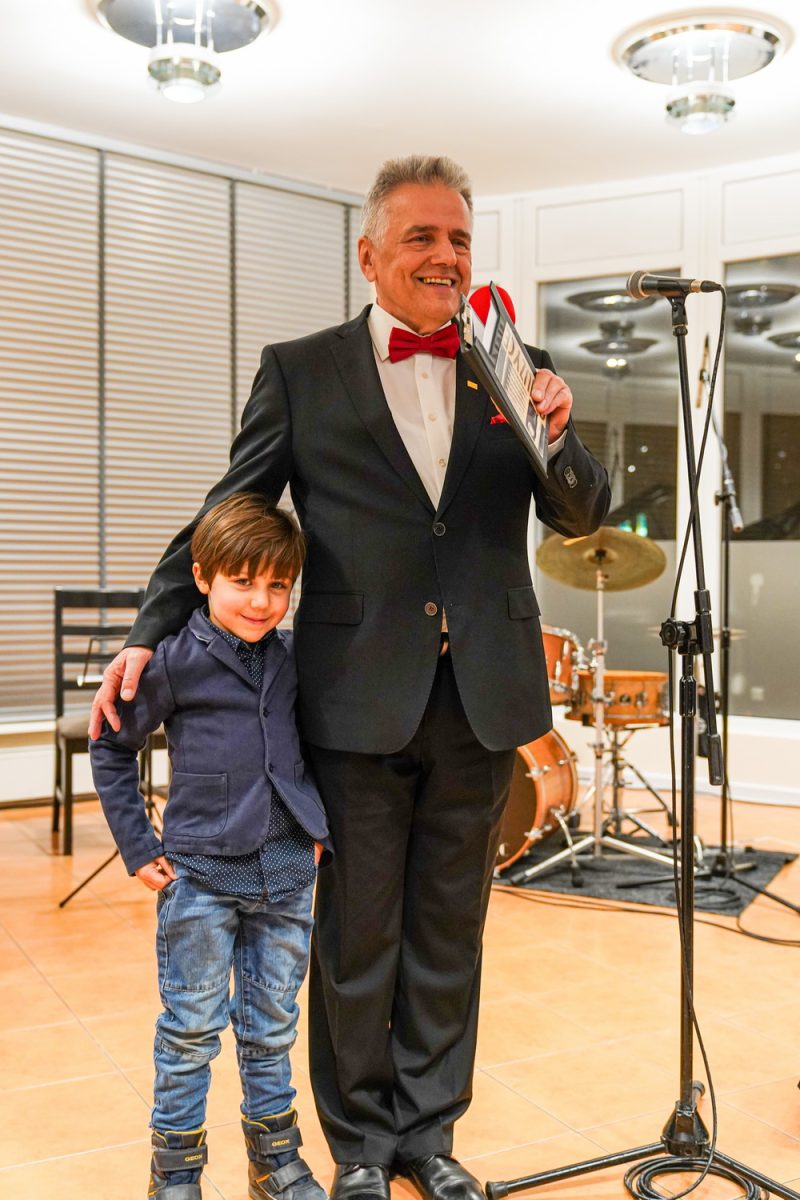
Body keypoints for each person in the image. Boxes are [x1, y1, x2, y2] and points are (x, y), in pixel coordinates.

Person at [90, 155, 611, 1200]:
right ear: (368, 254)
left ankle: (430, 1135)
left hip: (482, 696)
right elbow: (229, 506)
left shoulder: (515, 365)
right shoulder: (301, 370)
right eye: (421, 237)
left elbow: (579, 513)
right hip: (353, 696)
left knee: (449, 931)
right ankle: (362, 1147)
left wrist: (555, 432)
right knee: (356, 932)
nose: (445, 255)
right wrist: (151, 628)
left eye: (459, 239)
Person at [89, 493, 332, 1200]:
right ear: (201, 577)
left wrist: (316, 829)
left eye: (278, 586)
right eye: (242, 582)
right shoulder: (171, 662)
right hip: (198, 879)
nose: (260, 601)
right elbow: (110, 748)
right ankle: (175, 1174)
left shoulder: (295, 657)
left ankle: (275, 1163)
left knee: (272, 1028)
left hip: (287, 875)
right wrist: (138, 848)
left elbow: (318, 748)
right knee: (191, 1030)